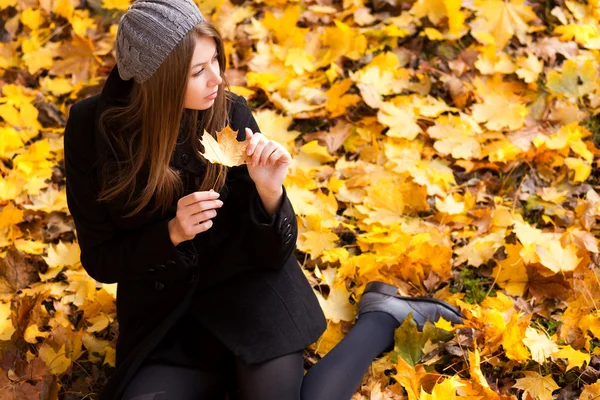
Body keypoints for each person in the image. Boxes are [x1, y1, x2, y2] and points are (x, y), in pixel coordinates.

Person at [63, 1, 465, 399]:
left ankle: (380, 319)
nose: (217, 79)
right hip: (169, 323)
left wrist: (270, 193)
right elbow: (101, 260)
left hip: (251, 303)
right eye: (198, 71)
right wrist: (170, 233)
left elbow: (272, 255)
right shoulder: (91, 131)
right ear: (157, 80)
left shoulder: (229, 114)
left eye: (216, 61)